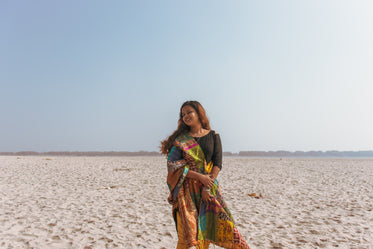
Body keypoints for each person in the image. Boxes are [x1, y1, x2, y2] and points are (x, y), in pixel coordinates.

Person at [160, 100, 250, 249]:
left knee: (206, 229)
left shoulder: (214, 136)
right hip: (187, 189)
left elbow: (217, 163)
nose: (186, 116)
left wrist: (207, 187)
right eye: (183, 114)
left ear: (199, 113)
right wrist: (200, 177)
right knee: (186, 232)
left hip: (209, 188)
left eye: (189, 112)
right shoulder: (181, 140)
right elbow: (173, 166)